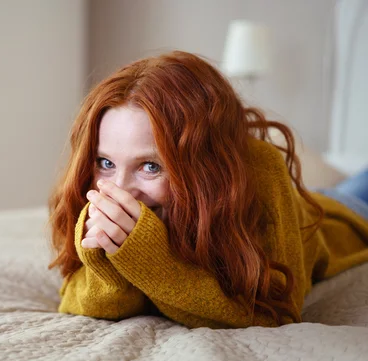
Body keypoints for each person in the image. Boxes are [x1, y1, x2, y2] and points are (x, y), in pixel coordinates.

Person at [47, 51, 368, 329]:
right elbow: (75, 298)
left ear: (204, 169)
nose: (121, 192)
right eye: (106, 162)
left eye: (150, 166)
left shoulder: (263, 170)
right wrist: (109, 267)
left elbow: (276, 315)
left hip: (344, 211)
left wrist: (152, 263)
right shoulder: (95, 190)